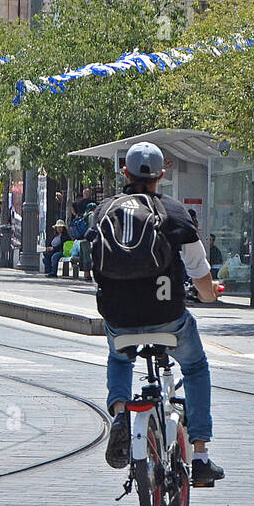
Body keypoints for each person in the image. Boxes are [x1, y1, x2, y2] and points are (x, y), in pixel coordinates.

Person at [96, 142, 224, 487]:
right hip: (168, 317)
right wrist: (209, 295)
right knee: (196, 366)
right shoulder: (176, 213)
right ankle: (199, 455)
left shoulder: (105, 210)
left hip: (119, 317)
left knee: (120, 359)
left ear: (125, 171)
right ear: (161, 175)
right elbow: (199, 271)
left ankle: (121, 413)